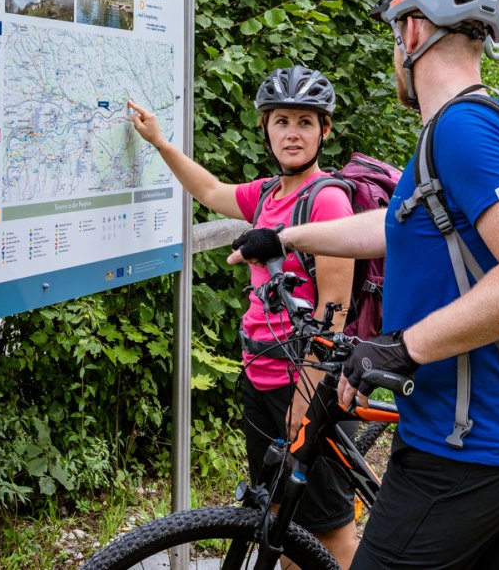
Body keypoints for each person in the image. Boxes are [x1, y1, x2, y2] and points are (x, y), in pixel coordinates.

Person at [230, 0, 499, 570]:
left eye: (395, 37)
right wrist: (286, 238)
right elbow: (395, 226)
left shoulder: (463, 130)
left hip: (465, 444)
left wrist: (403, 347)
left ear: (412, 32)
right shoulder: (462, 125)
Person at [128, 67, 360, 568]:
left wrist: (307, 396)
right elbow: (211, 191)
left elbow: (334, 310)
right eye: (281, 121)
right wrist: (161, 143)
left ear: (325, 130)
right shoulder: (268, 194)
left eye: (305, 121)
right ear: (266, 129)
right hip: (260, 375)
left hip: (303, 382)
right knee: (280, 515)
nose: (292, 133)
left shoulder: (328, 201)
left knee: (329, 528)